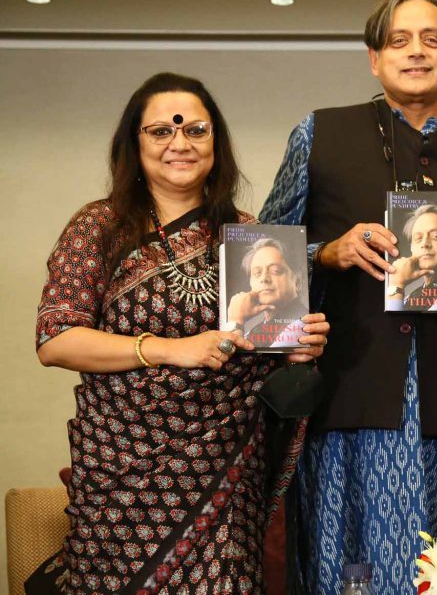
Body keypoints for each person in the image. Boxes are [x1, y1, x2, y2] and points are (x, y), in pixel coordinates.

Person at [259, 0, 437, 595]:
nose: (416, 52)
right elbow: (265, 250)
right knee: (347, 575)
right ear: (374, 58)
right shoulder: (319, 135)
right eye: (399, 40)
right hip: (350, 403)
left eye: (432, 39)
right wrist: (327, 252)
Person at [28, 72, 329, 594]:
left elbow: (264, 353)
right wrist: (171, 350)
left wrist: (298, 348)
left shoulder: (248, 236)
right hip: (123, 480)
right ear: (135, 143)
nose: (179, 144)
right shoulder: (99, 227)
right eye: (161, 131)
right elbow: (55, 339)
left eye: (195, 130)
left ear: (215, 141)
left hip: (225, 477)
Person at [227, 237, 310, 346]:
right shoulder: (253, 332)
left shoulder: (300, 326)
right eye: (257, 273)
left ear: (297, 281)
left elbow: (235, 356)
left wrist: (236, 323)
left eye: (275, 271)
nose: (264, 278)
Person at [386, 202, 437, 311]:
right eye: (418, 239)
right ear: (411, 249)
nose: (424, 244)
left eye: (436, 236)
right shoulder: (412, 296)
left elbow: (396, 321)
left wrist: (396, 284)